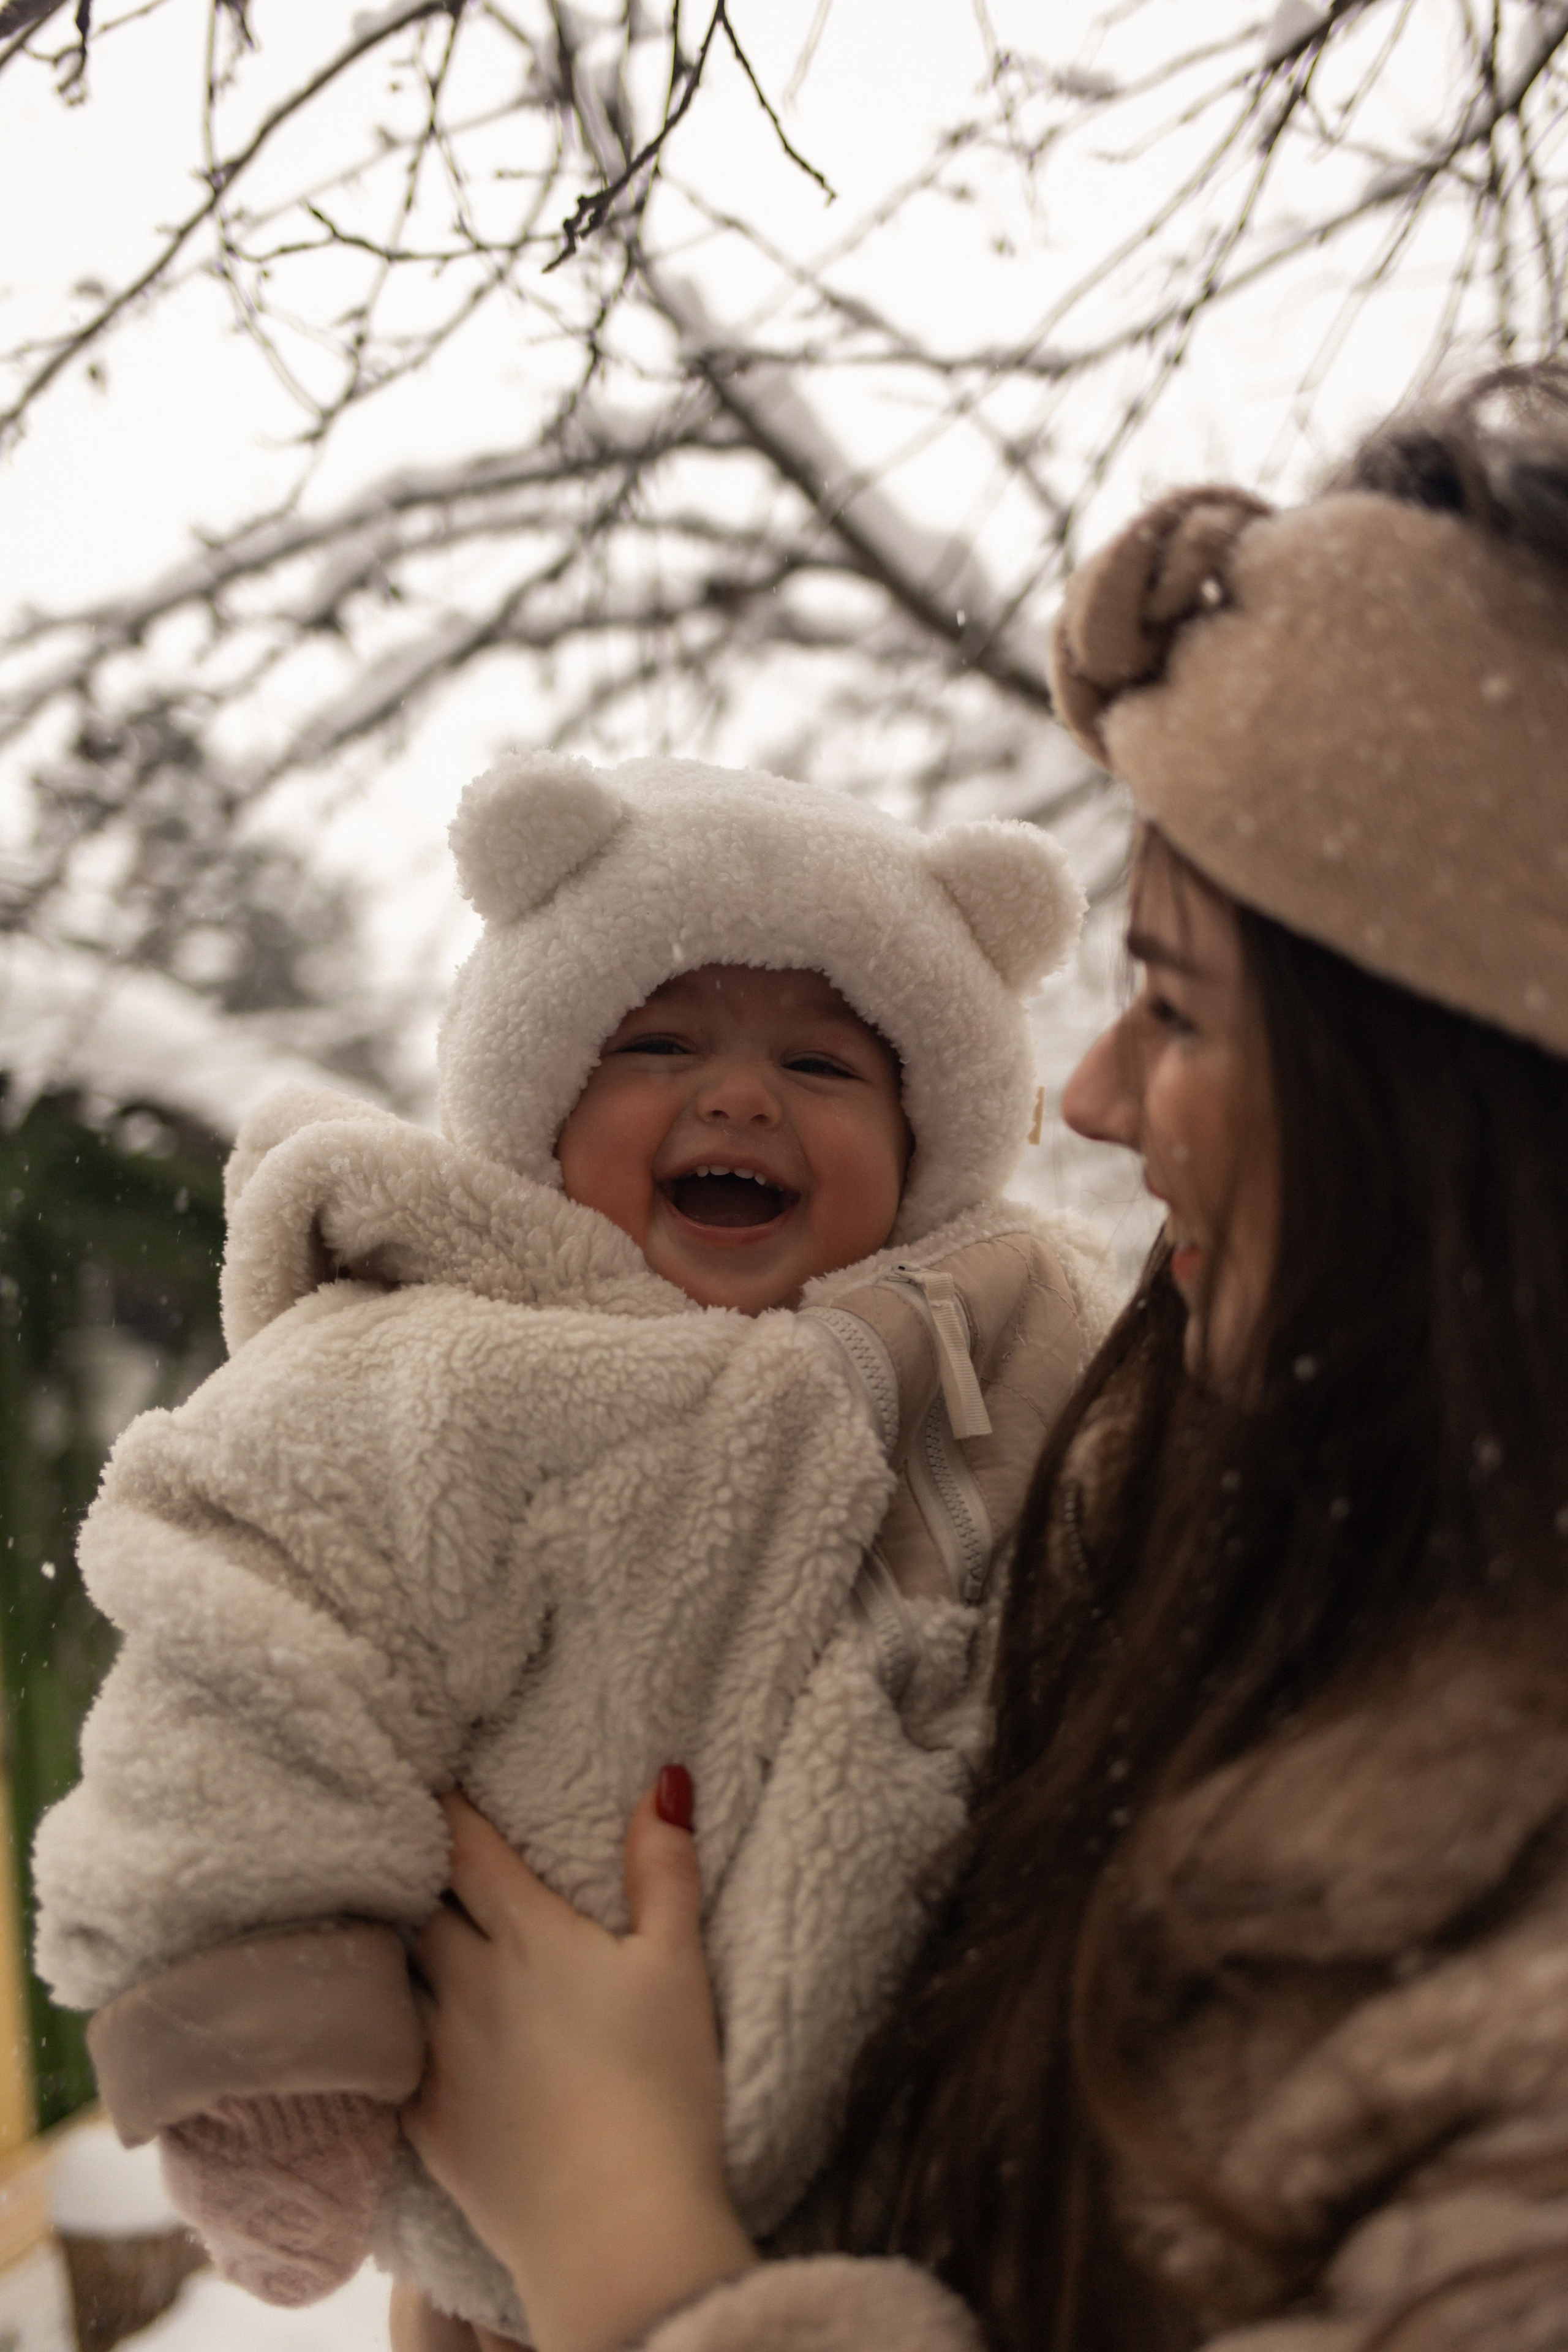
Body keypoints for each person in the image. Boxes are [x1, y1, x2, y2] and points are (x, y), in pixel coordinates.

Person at [397, 364, 1568, 2352]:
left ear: (1451, 1123)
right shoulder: (1130, 1528)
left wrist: (623, 2242)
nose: (1092, 1102)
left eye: (1181, 1017)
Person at [32, 753, 1115, 2346]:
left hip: (931, 2224)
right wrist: (267, 2045)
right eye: (659, 1043)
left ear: (930, 1141)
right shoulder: (428, 1366)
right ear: (533, 1101)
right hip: (515, 2225)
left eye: (824, 1065)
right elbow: (243, 1654)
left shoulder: (1005, 1359)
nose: (737, 1096)